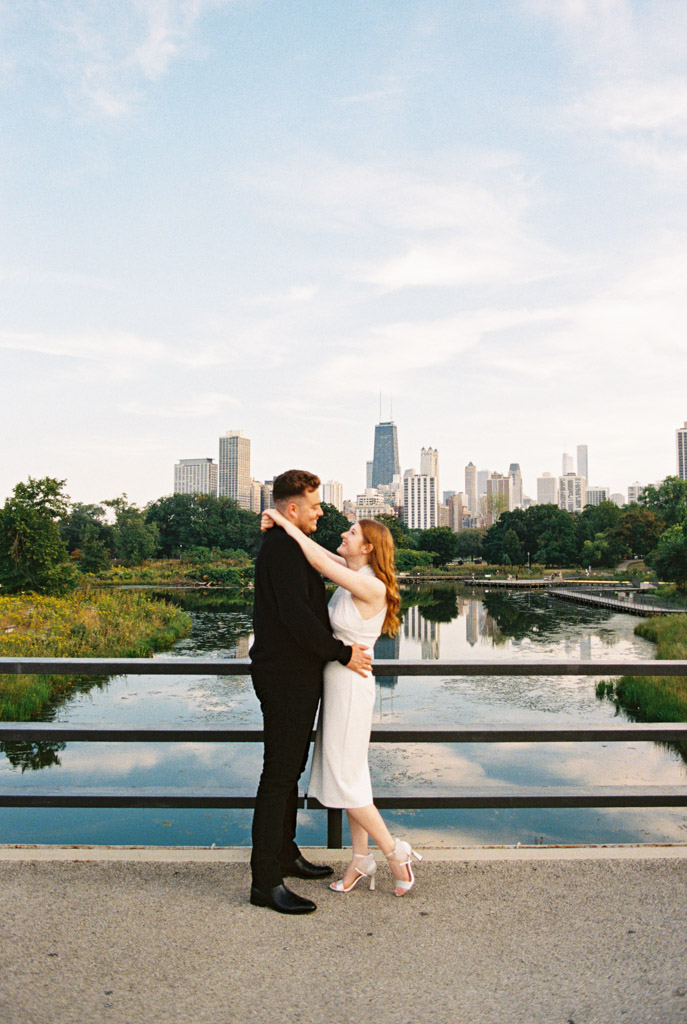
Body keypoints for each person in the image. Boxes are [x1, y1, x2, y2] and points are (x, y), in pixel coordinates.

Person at [261, 506, 422, 897]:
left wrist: (284, 522)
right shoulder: (356, 575)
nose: (343, 536)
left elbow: (316, 557)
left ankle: (394, 852)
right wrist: (286, 527)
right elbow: (318, 552)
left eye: (351, 533)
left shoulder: (372, 586)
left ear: (368, 547)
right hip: (338, 682)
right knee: (353, 775)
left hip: (350, 688)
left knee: (345, 778)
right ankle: (360, 858)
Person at [249, 469, 372, 915]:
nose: (322, 511)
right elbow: (299, 618)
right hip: (284, 677)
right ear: (294, 507)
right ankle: (265, 881)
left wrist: (277, 520)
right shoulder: (282, 549)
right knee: (279, 776)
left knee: (290, 770)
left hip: (295, 676)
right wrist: (342, 653)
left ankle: (285, 854)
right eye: (315, 505)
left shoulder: (288, 542)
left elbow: (319, 572)